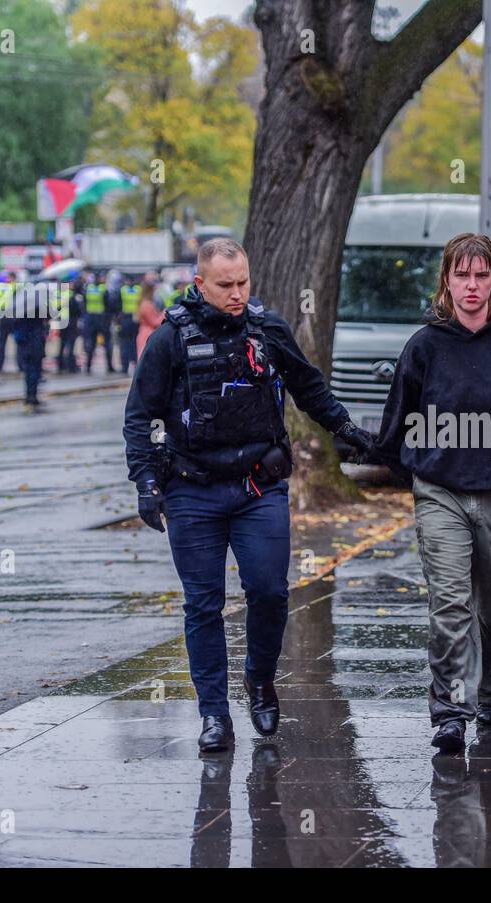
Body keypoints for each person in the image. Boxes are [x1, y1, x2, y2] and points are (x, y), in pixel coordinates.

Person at [123, 238, 376, 752]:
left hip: (258, 486)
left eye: (243, 283)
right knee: (203, 604)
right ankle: (214, 715)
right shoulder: (171, 339)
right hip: (192, 490)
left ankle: (259, 678)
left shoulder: (266, 329)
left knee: (269, 591)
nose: (237, 294)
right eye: (225, 285)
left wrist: (347, 428)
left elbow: (309, 387)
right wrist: (146, 484)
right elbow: (139, 416)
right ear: (200, 284)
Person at [375, 233, 491, 754]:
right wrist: (416, 469)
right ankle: (451, 709)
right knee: (450, 605)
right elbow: (398, 422)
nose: (471, 286)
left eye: (481, 276)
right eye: (461, 275)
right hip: (441, 493)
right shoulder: (424, 346)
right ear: (447, 281)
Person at [10, 280, 49, 409]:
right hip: (34, 344)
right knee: (34, 370)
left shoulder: (20, 312)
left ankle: (29, 396)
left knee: (29, 371)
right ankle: (32, 396)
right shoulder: (37, 310)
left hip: (25, 344)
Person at [82, 271, 115, 374]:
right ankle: (109, 366)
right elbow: (109, 305)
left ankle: (88, 366)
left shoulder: (88, 289)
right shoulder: (104, 289)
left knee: (90, 344)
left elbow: (83, 304)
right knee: (107, 344)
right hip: (102, 320)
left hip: (90, 319)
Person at [118, 276, 141, 374]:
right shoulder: (139, 290)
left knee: (125, 343)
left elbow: (117, 305)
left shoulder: (122, 290)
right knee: (134, 343)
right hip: (135, 319)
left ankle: (125, 367)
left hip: (126, 319)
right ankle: (135, 365)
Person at [135, 280, 162, 359]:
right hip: (148, 334)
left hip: (144, 333)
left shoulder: (143, 303)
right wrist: (164, 314)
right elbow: (155, 322)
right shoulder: (147, 305)